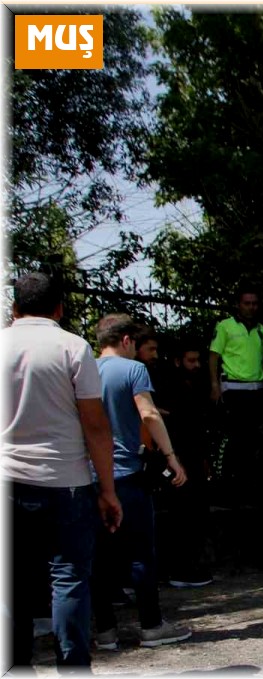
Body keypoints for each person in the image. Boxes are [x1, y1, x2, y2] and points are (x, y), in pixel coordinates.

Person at [3, 273, 122, 672]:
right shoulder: (73, 347)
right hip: (65, 483)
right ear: (59, 308)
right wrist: (107, 489)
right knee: (69, 579)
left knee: (11, 584)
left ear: (14, 307)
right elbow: (95, 425)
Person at [91, 314, 191, 650]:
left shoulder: (82, 370)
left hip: (90, 475)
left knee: (98, 555)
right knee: (141, 552)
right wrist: (171, 455)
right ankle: (151, 625)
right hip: (127, 474)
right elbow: (147, 413)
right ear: (126, 341)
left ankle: (104, 630)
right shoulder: (133, 370)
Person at [157, 341, 215, 587]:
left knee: (195, 512)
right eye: (191, 361)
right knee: (180, 513)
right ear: (178, 361)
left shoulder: (197, 387)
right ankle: (179, 570)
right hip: (176, 458)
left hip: (193, 456)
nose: (197, 366)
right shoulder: (168, 390)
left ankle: (192, 566)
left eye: (198, 361)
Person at [209, 287, 263, 501]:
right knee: (234, 438)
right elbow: (214, 357)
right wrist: (215, 386)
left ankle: (247, 486)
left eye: (254, 303)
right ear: (238, 305)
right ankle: (226, 486)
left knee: (254, 439)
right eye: (247, 303)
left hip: (257, 389)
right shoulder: (225, 326)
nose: (251, 307)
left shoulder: (262, 329)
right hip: (234, 389)